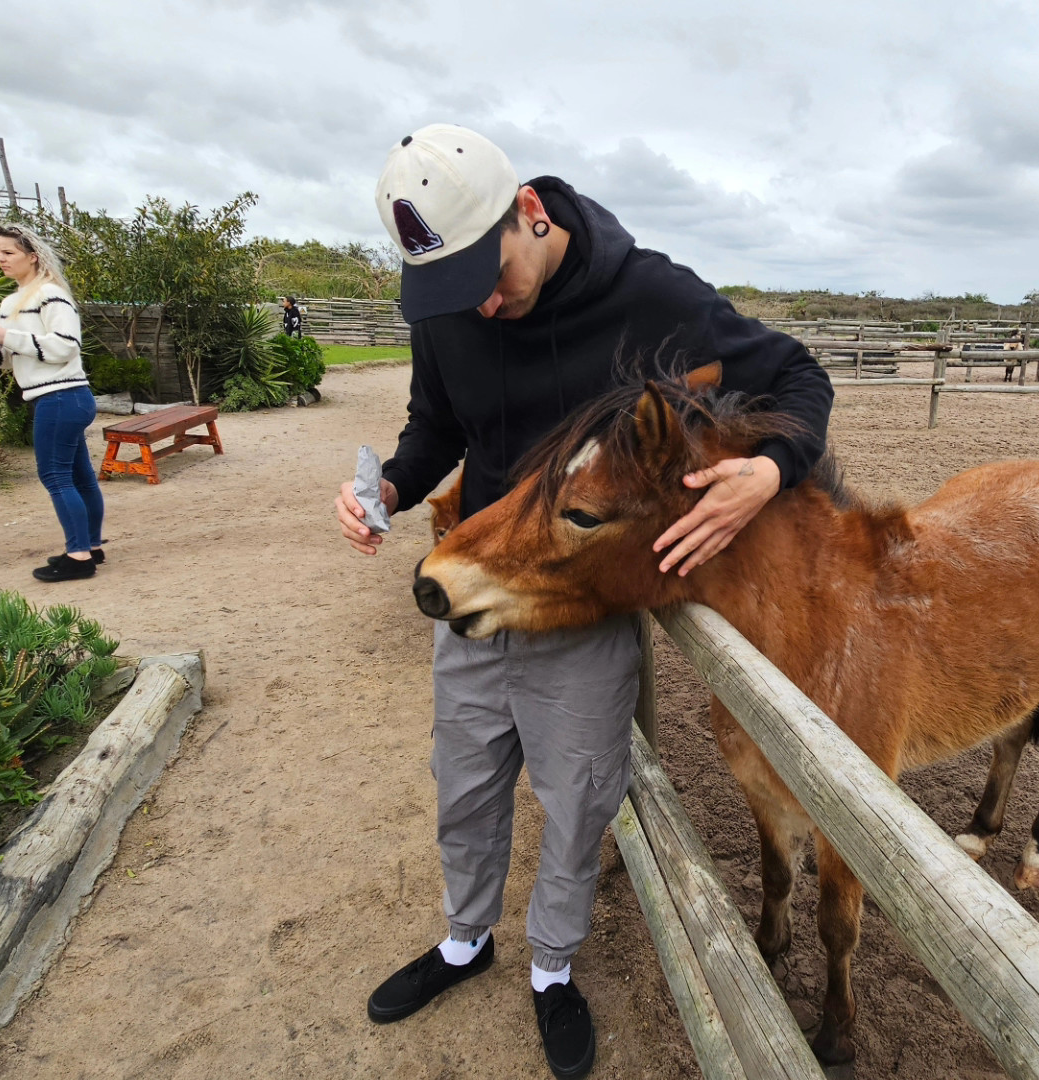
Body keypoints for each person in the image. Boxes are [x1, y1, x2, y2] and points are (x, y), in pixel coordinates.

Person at [333, 124, 833, 1079]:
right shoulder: (448, 303)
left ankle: (552, 968)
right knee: (464, 785)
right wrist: (388, 489)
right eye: (452, 291)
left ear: (529, 211)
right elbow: (436, 426)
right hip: (480, 586)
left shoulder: (651, 296)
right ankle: (464, 941)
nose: (479, 304)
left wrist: (770, 470)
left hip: (578, 611)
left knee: (576, 800)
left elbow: (797, 375)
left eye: (488, 277)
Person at [0, 223, 105, 582]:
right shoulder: (10, 303)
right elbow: (9, 360)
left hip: (62, 396)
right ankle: (90, 546)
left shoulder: (51, 295)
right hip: (57, 397)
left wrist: (6, 335)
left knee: (55, 475)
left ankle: (78, 557)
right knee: (79, 476)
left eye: (8, 252)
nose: (0, 259)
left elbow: (66, 346)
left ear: (32, 256)